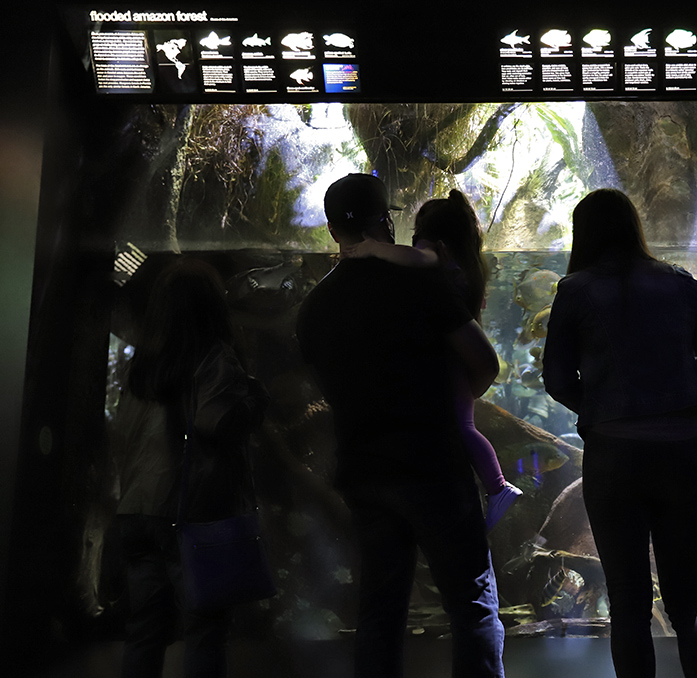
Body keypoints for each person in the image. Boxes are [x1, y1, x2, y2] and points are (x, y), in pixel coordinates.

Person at [296, 173, 504, 678]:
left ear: (331, 230)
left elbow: (328, 391)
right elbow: (484, 361)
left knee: (380, 612)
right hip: (434, 467)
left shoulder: (314, 308)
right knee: (472, 606)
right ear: (384, 222)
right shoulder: (420, 282)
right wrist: (454, 400)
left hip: (365, 475)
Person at [543, 188, 697, 678]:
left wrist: (604, 412)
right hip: (682, 453)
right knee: (692, 599)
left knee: (628, 603)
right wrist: (681, 406)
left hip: (613, 457)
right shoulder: (683, 284)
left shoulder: (575, 290)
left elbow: (557, 379)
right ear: (634, 227)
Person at [113, 257, 268, 678]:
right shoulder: (212, 356)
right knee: (204, 628)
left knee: (144, 628)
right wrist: (254, 397)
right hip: (189, 514)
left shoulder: (143, 364)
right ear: (211, 307)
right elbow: (216, 421)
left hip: (136, 509)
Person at [344, 189, 522, 529]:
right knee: (463, 425)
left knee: (463, 426)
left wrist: (373, 248)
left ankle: (498, 487)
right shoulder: (466, 263)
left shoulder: (432, 253)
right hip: (458, 359)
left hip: (448, 362)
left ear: (427, 232)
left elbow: (419, 259)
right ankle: (495, 487)